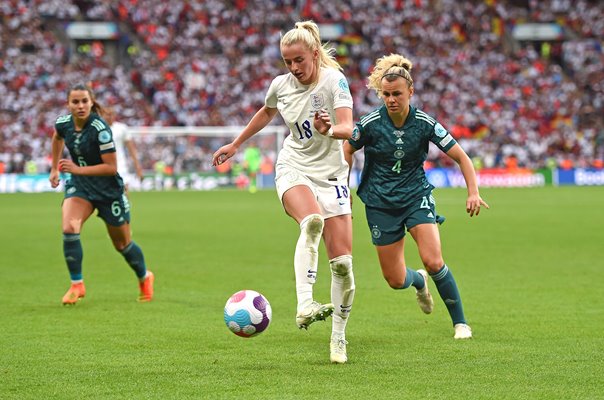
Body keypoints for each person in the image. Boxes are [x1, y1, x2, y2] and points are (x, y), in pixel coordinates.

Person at [212, 20, 356, 363]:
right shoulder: (282, 85)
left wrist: (330, 129)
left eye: (299, 61)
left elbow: (349, 128)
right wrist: (236, 143)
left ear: (315, 55)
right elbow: (267, 111)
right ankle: (304, 303)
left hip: (333, 175)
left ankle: (338, 337)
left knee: (344, 266)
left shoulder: (334, 81)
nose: (293, 68)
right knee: (311, 222)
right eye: (287, 62)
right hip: (294, 166)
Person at [343, 54, 489, 339]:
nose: (391, 99)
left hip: (415, 196)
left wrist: (473, 192)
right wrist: (344, 188)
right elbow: (347, 149)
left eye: (397, 93)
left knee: (433, 260)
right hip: (379, 202)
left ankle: (461, 323)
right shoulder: (371, 123)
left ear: (410, 91)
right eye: (386, 94)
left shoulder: (424, 123)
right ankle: (418, 281)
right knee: (395, 280)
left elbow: (461, 157)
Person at [49, 83, 154, 305]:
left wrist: (76, 168)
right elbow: (57, 138)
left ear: (91, 102)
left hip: (108, 191)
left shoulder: (100, 129)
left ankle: (145, 276)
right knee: (69, 227)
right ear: (68, 104)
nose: (80, 106)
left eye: (84, 101)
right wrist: (53, 168)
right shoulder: (63, 124)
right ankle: (76, 284)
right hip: (81, 187)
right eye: (75, 102)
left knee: (122, 245)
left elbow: (111, 167)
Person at [103, 107, 143, 192]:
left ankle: (125, 205)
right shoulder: (98, 129)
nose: (108, 116)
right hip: (104, 166)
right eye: (106, 114)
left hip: (120, 165)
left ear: (114, 115)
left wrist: (137, 166)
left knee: (124, 191)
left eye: (111, 114)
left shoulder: (121, 128)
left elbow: (131, 149)